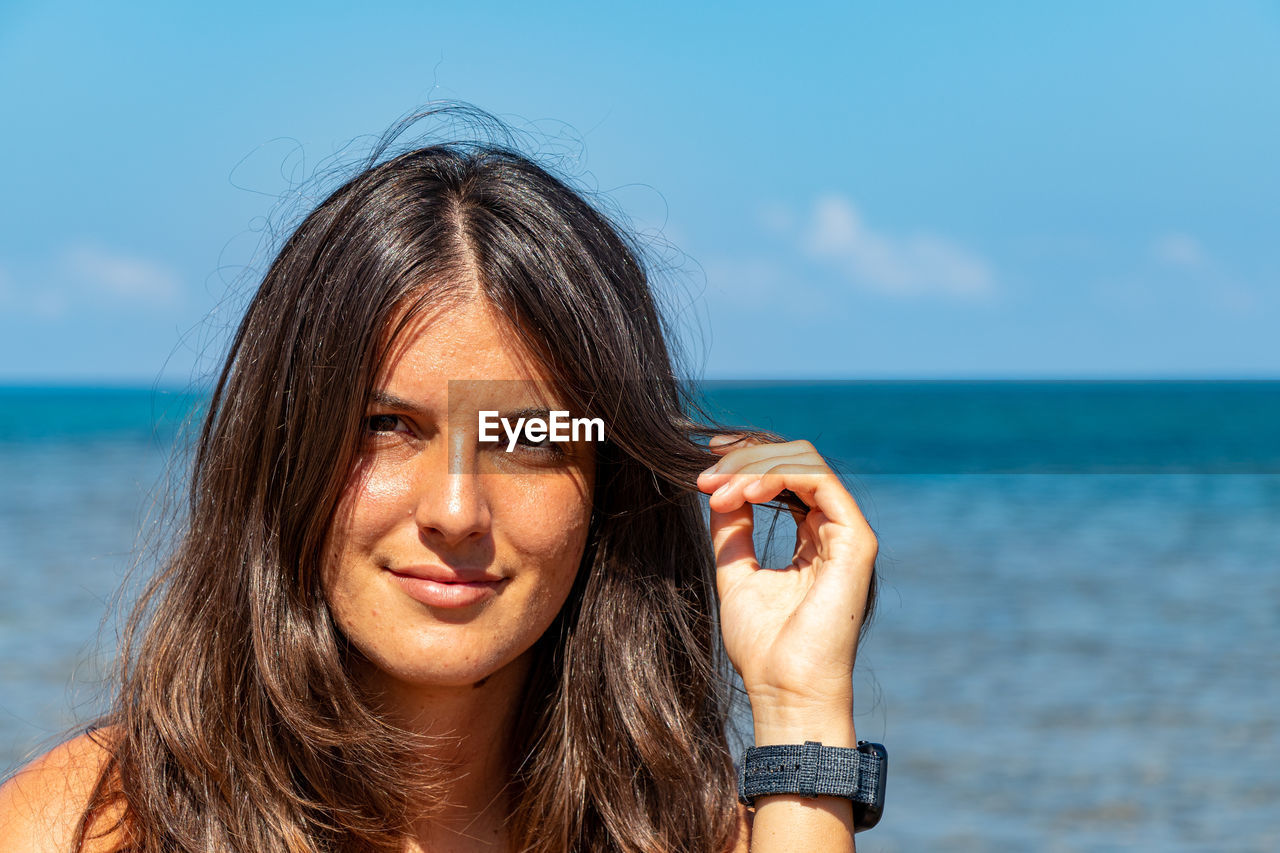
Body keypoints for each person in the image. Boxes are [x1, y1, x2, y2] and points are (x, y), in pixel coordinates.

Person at [0, 111, 879, 852]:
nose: (456, 510)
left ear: (606, 484)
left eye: (526, 438)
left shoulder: (699, 838)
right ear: (281, 450)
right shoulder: (83, 828)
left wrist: (800, 710)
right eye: (387, 428)